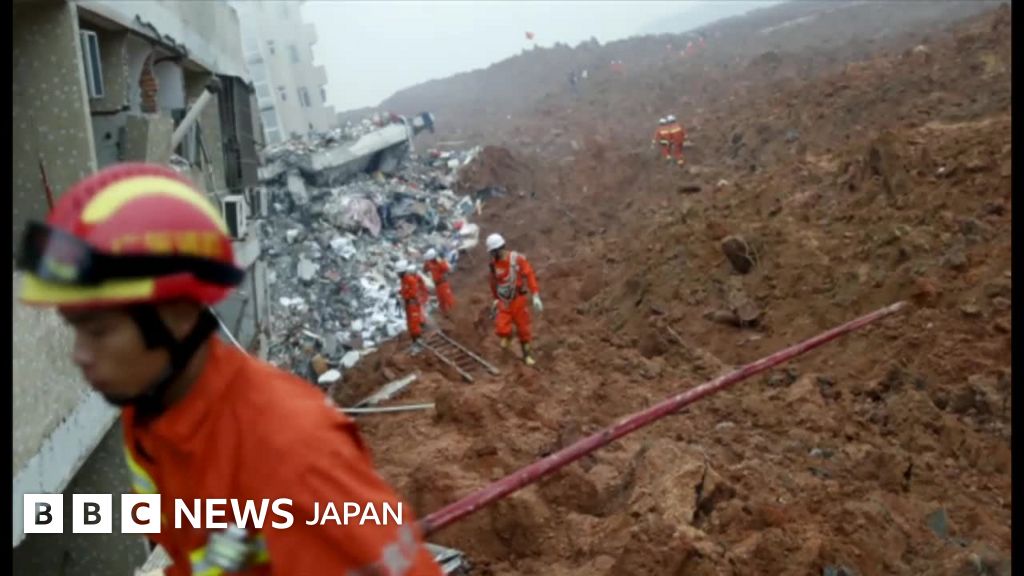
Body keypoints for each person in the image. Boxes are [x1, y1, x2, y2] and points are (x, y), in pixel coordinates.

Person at [14, 163, 443, 576]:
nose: (80, 354)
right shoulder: (150, 417)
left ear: (177, 314)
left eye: (99, 331)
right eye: (77, 330)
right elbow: (201, 549)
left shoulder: (287, 450)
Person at [485, 233, 542, 366]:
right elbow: (493, 283)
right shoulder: (493, 265)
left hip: (517, 300)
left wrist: (535, 295)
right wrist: (495, 299)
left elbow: (529, 274)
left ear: (500, 249)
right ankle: (508, 336)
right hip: (504, 301)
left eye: (494, 252)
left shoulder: (516, 260)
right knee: (501, 327)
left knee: (523, 329)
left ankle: (527, 354)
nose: (492, 255)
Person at [400, 264, 429, 348]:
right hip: (411, 302)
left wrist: (405, 295)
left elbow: (416, 290)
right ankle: (416, 339)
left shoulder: (413, 279)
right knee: (413, 322)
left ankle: (419, 339)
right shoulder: (405, 280)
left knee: (415, 321)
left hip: (414, 302)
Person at [422, 249, 455, 317]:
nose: (430, 260)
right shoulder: (429, 263)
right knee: (441, 302)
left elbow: (447, 270)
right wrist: (426, 262)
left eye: (430, 259)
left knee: (448, 300)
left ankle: (454, 313)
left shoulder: (440, 262)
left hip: (443, 284)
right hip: (437, 286)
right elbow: (424, 270)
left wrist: (440, 262)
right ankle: (446, 316)